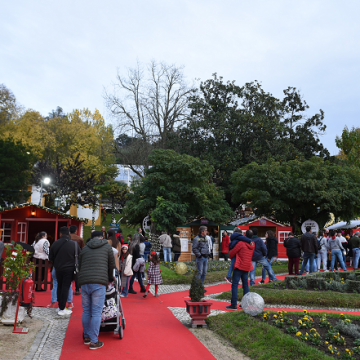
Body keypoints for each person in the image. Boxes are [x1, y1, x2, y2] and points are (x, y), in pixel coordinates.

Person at [78, 230, 115, 350]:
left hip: (84, 283)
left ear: (91, 237)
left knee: (86, 311)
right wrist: (109, 278)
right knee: (96, 313)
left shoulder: (84, 249)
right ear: (102, 237)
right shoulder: (107, 247)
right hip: (99, 283)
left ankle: (87, 337)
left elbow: (80, 265)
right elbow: (111, 264)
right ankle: (94, 341)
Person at [49, 226, 80, 316]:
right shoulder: (74, 244)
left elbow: (50, 257)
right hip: (70, 268)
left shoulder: (55, 243)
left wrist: (56, 263)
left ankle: (60, 306)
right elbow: (79, 255)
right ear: (69, 234)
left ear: (60, 234)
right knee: (66, 287)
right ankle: (62, 308)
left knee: (59, 286)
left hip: (58, 268)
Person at [226, 229, 255, 311]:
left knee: (235, 285)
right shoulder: (252, 244)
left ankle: (233, 304)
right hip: (247, 266)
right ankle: (245, 304)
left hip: (239, 266)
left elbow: (231, 254)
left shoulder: (240, 243)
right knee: (245, 285)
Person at [70, 225, 85, 295]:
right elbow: (83, 249)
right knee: (77, 274)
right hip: (77, 258)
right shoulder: (80, 239)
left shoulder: (67, 238)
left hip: (68, 258)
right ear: (76, 231)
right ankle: (77, 289)